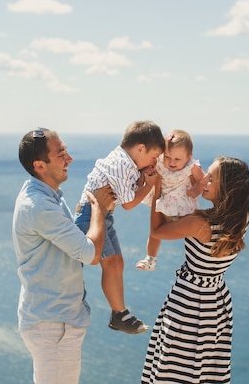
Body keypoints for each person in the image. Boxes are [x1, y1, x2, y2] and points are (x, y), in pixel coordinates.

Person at [12, 128, 115, 384]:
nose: (69, 158)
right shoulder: (40, 206)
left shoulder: (47, 197)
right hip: (53, 326)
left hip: (52, 320)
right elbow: (90, 254)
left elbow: (74, 240)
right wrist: (99, 209)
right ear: (40, 165)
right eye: (61, 154)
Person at [141, 156, 249, 384]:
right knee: (204, 372)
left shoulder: (199, 223)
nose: (204, 180)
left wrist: (158, 189)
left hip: (189, 304)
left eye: (211, 179)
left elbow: (157, 231)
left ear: (228, 188)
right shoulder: (242, 218)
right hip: (217, 303)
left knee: (174, 370)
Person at [74, 120, 165, 334]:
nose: (153, 162)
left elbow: (130, 193)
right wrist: (150, 184)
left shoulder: (128, 164)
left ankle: (119, 313)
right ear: (140, 148)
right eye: (153, 157)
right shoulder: (120, 164)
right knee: (110, 264)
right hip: (91, 215)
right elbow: (129, 203)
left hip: (104, 216)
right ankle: (119, 313)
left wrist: (143, 179)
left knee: (117, 263)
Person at [136, 129, 206, 271]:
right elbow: (147, 170)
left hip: (183, 205)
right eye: (167, 157)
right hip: (163, 203)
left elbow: (203, 180)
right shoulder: (160, 163)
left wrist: (196, 190)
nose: (171, 162)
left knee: (192, 233)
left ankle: (200, 259)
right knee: (155, 233)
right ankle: (150, 259)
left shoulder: (192, 167)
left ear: (189, 157)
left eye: (177, 159)